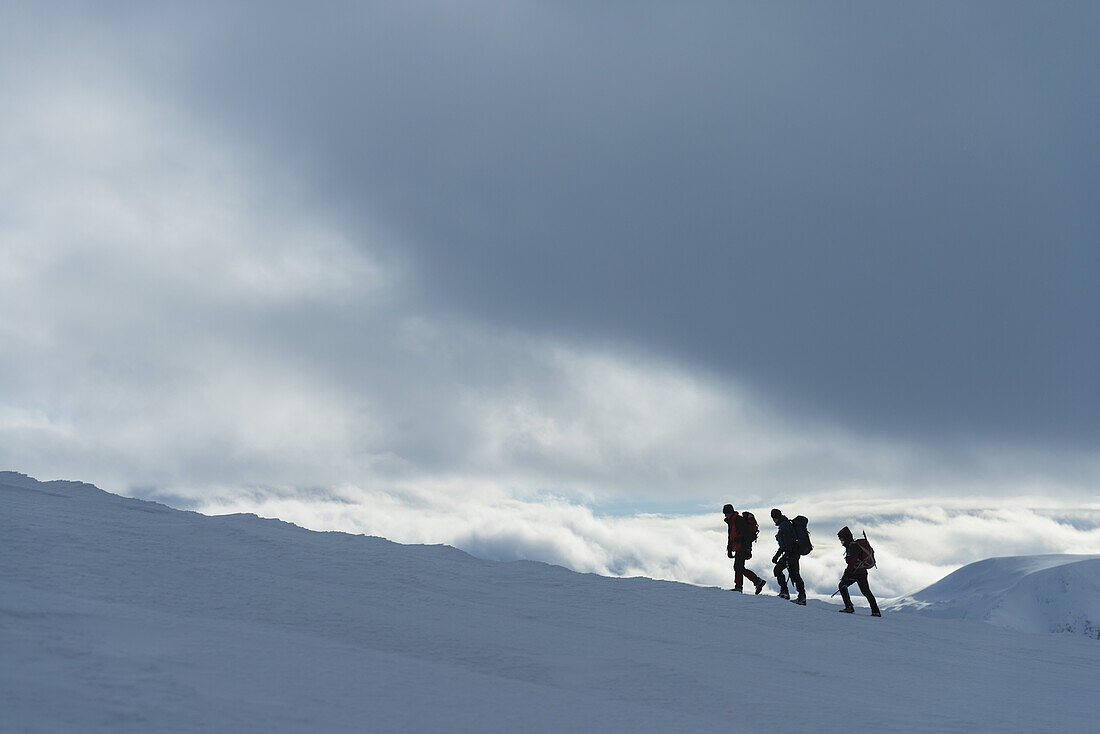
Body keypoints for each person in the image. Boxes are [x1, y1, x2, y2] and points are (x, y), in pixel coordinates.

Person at [837, 526, 881, 617]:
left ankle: (849, 607)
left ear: (846, 537)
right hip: (861, 572)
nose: (841, 541)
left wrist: (847, 573)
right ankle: (875, 611)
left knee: (842, 585)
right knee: (866, 591)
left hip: (856, 572)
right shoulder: (852, 545)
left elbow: (852, 561)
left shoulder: (852, 546)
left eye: (841, 539)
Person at [723, 504, 766, 594]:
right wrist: (729, 549)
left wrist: (748, 549)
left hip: (742, 547)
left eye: (726, 513)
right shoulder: (732, 521)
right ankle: (754, 582)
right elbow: (730, 537)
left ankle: (752, 582)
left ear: (729, 512)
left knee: (738, 567)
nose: (725, 515)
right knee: (739, 567)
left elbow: (747, 535)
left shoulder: (738, 520)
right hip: (738, 548)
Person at [770, 508, 806, 605]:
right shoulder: (785, 524)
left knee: (792, 573)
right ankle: (794, 594)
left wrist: (778, 555)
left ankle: (795, 595)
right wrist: (778, 555)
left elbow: (786, 543)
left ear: (775, 518)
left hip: (791, 553)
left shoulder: (784, 526)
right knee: (792, 573)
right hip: (792, 553)